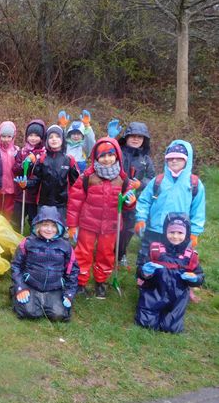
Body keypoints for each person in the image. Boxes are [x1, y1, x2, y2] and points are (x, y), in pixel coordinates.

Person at [67, 138, 136, 299]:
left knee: (106, 254)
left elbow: (127, 204)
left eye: (110, 155)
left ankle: (101, 282)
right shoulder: (87, 177)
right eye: (102, 156)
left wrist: (131, 203)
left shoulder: (123, 179)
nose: (107, 159)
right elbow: (75, 202)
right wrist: (72, 225)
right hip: (88, 223)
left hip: (111, 225)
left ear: (117, 156)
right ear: (96, 158)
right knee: (83, 252)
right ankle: (80, 282)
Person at [135, 140, 205, 267]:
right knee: (148, 257)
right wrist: (141, 219)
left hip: (179, 232)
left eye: (179, 158)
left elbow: (198, 210)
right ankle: (145, 282)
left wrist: (194, 232)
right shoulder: (158, 180)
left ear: (186, 160)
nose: (174, 161)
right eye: (170, 158)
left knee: (174, 261)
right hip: (154, 229)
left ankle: (170, 284)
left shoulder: (194, 184)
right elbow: (144, 201)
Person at [135, 213, 204, 333]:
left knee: (171, 328)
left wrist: (195, 278)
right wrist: (145, 272)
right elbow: (140, 271)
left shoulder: (190, 256)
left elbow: (200, 276)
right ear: (165, 232)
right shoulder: (155, 250)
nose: (175, 236)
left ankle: (170, 316)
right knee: (146, 323)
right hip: (154, 292)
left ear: (186, 234)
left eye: (180, 233)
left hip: (177, 297)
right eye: (171, 232)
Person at [10, 206, 79, 322]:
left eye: (53, 226)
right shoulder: (28, 243)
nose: (49, 229)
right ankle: (16, 293)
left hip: (54, 287)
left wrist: (69, 294)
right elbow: (16, 265)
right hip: (31, 285)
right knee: (29, 312)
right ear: (38, 225)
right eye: (45, 225)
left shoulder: (65, 246)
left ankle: (48, 301)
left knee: (59, 315)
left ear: (59, 228)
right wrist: (20, 287)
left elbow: (73, 271)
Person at [109, 121, 156, 267]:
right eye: (133, 136)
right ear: (127, 137)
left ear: (144, 140)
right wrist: (110, 138)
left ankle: (121, 253)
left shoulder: (146, 159)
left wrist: (140, 184)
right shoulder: (118, 152)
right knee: (111, 226)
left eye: (140, 137)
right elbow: (105, 159)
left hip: (133, 199)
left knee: (127, 229)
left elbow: (152, 178)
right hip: (114, 196)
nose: (136, 139)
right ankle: (108, 251)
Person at [28, 125, 80, 221]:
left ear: (62, 139)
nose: (54, 139)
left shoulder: (69, 160)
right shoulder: (42, 159)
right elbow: (35, 179)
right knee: (43, 229)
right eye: (51, 137)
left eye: (57, 136)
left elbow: (76, 184)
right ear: (47, 140)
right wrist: (25, 184)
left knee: (59, 229)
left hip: (62, 204)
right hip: (43, 203)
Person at [13, 119, 46, 229]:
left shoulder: (43, 153)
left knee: (34, 220)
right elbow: (15, 169)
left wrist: (34, 163)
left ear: (42, 137)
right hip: (20, 192)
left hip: (34, 195)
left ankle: (33, 240)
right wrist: (23, 165)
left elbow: (42, 173)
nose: (33, 138)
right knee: (17, 219)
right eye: (30, 135)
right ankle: (15, 238)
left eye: (37, 135)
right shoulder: (22, 152)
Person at [0, 121, 18, 219]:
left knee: (8, 208)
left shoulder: (16, 151)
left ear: (13, 137)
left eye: (9, 137)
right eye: (3, 136)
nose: (6, 139)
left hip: (11, 185)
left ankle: (6, 226)